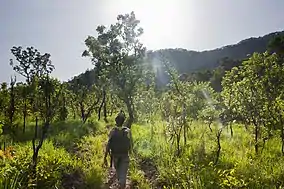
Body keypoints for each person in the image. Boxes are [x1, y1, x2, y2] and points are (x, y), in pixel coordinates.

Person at [104, 111, 133, 189]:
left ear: (116, 121)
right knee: (123, 173)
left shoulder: (112, 131)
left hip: (115, 155)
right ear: (123, 122)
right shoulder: (128, 131)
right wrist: (131, 152)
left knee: (118, 171)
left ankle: (120, 182)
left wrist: (105, 157)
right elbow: (131, 143)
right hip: (125, 155)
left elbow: (108, 144)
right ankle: (122, 183)